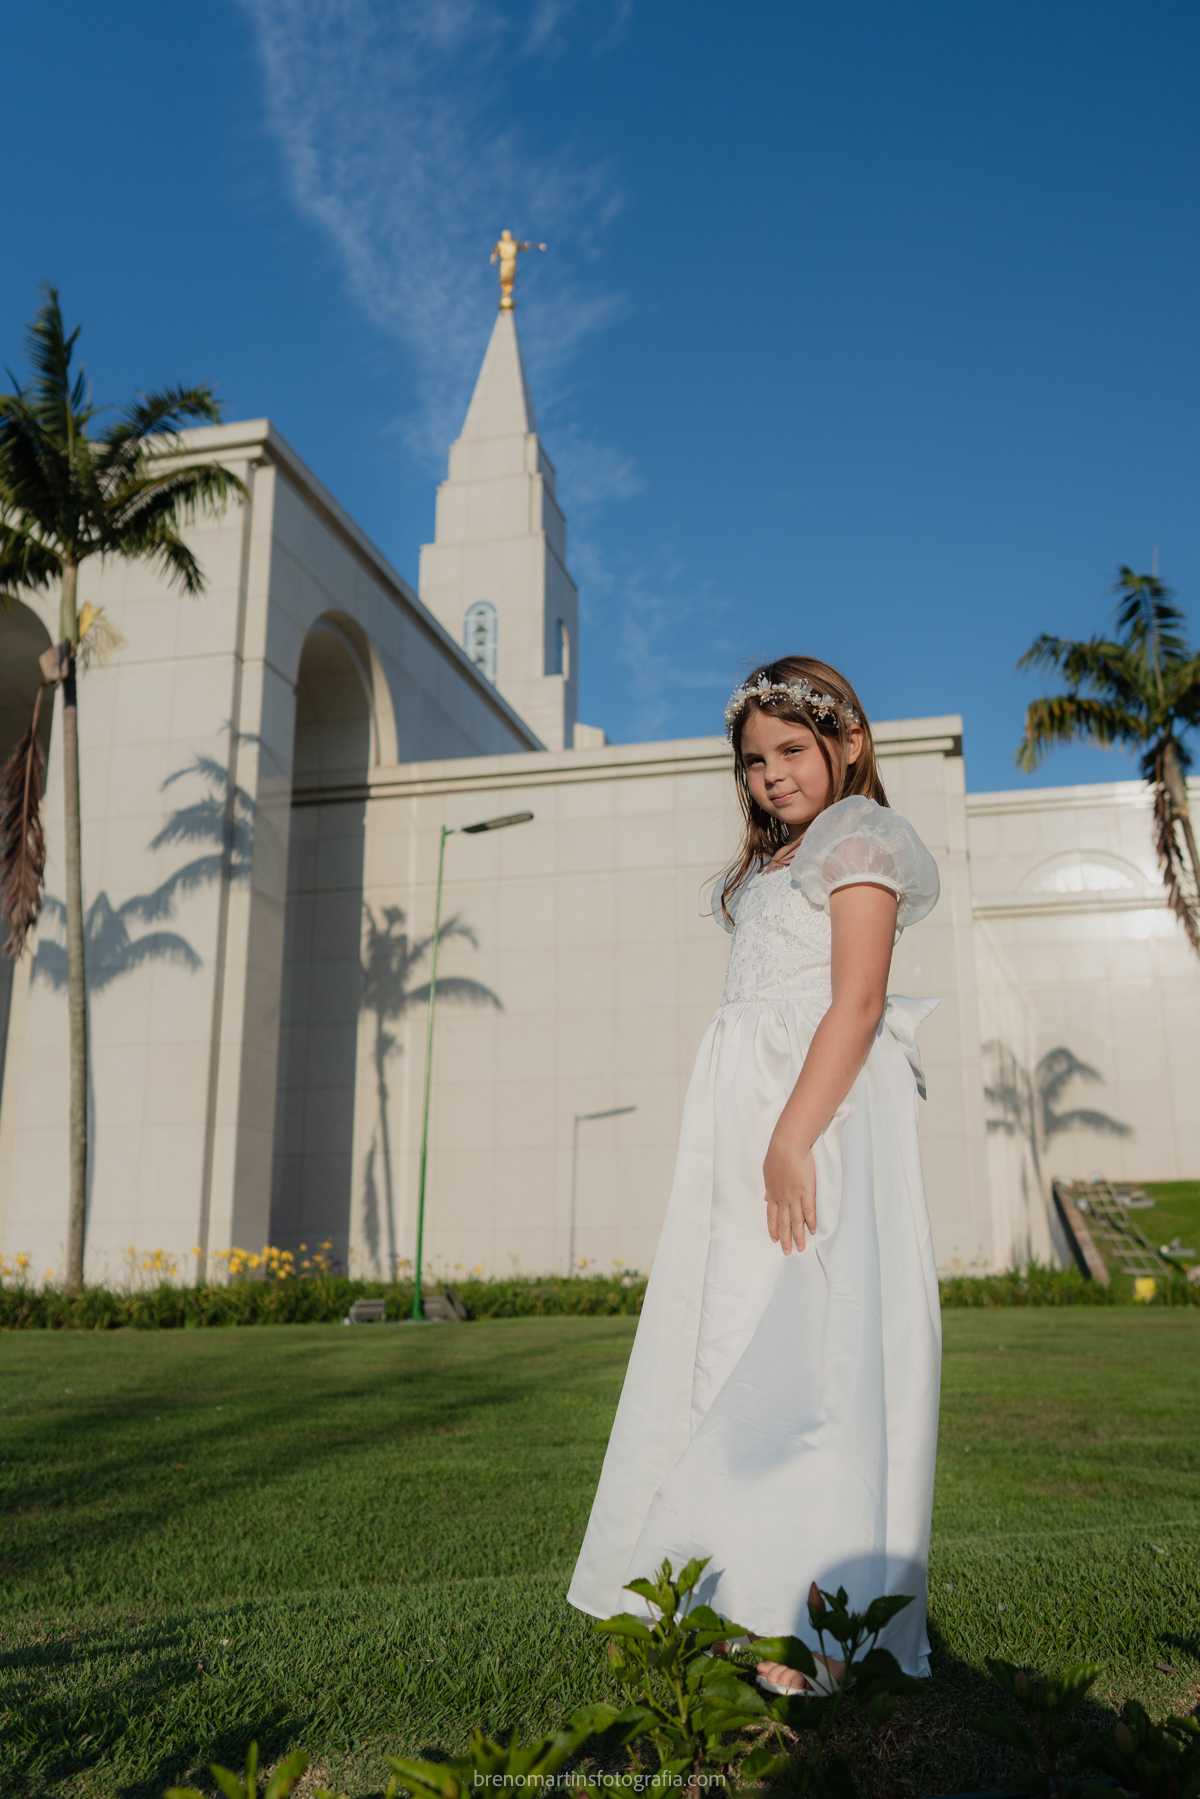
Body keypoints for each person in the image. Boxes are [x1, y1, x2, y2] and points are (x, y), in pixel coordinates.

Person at [567, 656, 943, 1691]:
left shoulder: (860, 838)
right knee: (733, 1343)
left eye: (791, 749)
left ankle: (825, 1628)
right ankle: (733, 1590)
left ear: (849, 743)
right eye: (752, 759)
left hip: (812, 1121)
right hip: (748, 1124)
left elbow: (857, 1002)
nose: (771, 773)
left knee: (815, 1351)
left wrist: (790, 1139)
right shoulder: (773, 863)